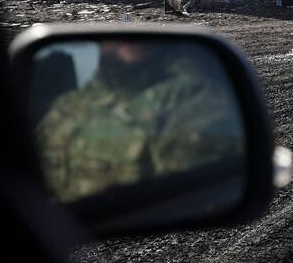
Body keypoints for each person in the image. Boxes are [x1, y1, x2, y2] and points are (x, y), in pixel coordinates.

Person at [35, 40, 244, 204]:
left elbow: (195, 189)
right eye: (114, 37)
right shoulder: (69, 104)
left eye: (137, 41)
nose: (127, 44)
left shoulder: (192, 98)